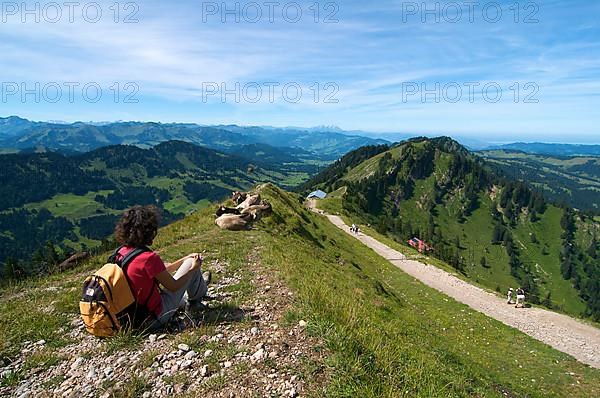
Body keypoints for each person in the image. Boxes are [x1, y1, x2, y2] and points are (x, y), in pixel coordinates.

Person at [113, 205, 210, 330]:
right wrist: (193, 268)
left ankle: (193, 292)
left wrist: (183, 259)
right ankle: (195, 301)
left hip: (128, 319)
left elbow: (159, 272)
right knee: (192, 263)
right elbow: (173, 286)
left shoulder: (121, 253)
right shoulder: (148, 258)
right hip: (152, 318)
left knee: (188, 262)